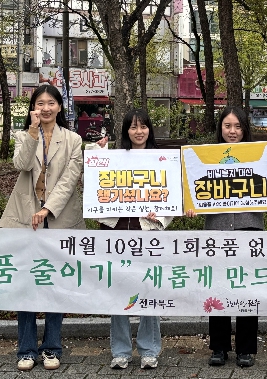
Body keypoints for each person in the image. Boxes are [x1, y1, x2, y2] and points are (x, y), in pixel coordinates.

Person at [188, 106, 267, 368]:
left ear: (245, 129)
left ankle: (246, 348)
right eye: (227, 126)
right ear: (220, 128)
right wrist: (191, 204)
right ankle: (219, 347)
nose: (232, 131)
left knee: (248, 290)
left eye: (237, 126)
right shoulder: (207, 156)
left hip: (249, 230)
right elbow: (193, 189)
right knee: (217, 288)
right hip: (217, 231)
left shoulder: (260, 155)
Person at [0, 84, 85, 372]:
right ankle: (26, 349)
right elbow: (21, 165)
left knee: (55, 283)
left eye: (51, 103)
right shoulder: (24, 136)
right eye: (40, 103)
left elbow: (70, 179)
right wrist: (33, 132)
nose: (45, 108)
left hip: (60, 218)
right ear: (33, 108)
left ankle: (52, 347)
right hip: (25, 217)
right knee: (26, 282)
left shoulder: (73, 140)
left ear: (59, 107)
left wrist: (48, 208)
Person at [94, 109, 172, 370]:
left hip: (147, 232)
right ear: (126, 131)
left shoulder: (163, 160)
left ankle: (149, 349)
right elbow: (96, 187)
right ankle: (120, 350)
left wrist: (160, 215)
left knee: (149, 289)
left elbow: (172, 197)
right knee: (118, 291)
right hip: (116, 232)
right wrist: (98, 154)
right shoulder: (114, 158)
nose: (139, 132)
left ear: (150, 129)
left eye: (143, 126)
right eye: (133, 127)